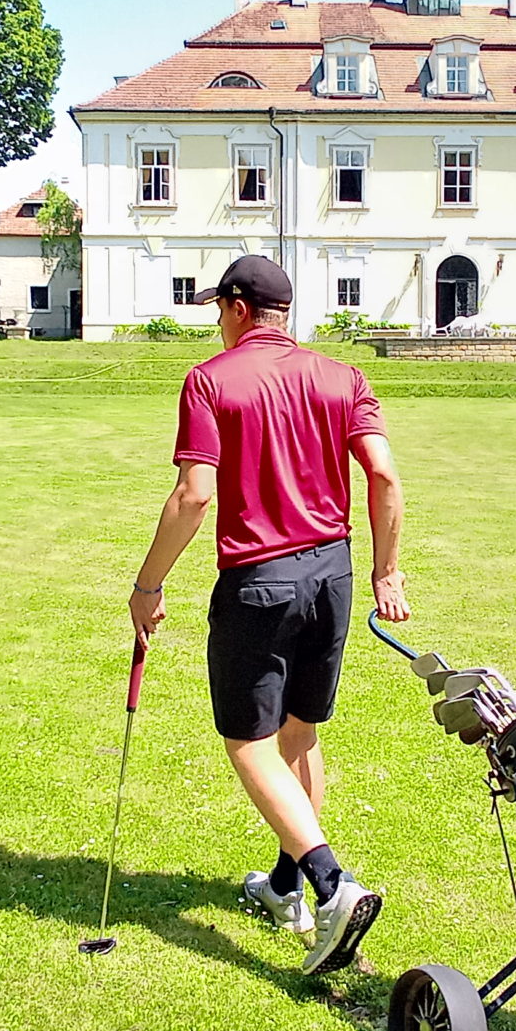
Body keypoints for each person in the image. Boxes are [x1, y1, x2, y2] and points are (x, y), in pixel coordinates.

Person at [128, 254, 409, 974]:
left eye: (218, 310)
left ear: (239, 308)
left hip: (259, 582)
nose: (217, 325)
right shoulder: (343, 377)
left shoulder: (210, 380)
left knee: (250, 744)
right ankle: (286, 888)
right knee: (301, 734)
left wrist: (148, 585)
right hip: (334, 575)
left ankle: (330, 883)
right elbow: (381, 472)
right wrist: (386, 571)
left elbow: (194, 495)